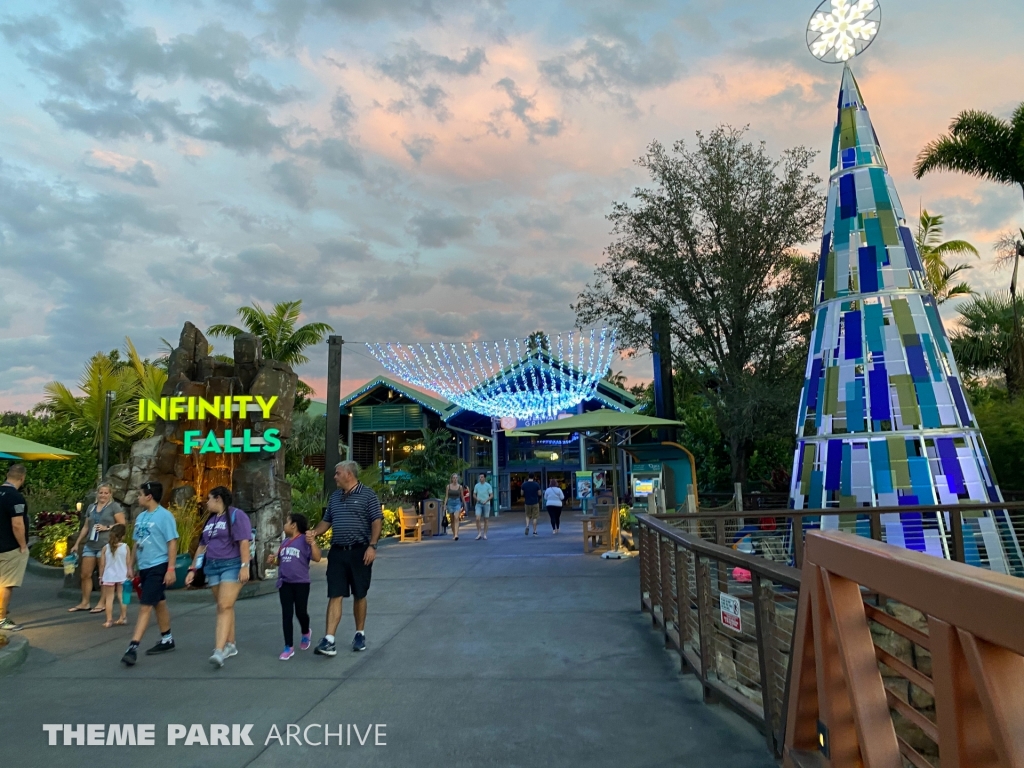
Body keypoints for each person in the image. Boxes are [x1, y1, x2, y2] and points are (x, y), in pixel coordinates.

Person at [311, 461, 382, 656]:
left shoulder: (368, 495)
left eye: (338, 473)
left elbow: (376, 521)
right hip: (337, 552)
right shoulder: (335, 497)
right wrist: (314, 533)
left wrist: (372, 546)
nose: (335, 476)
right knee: (335, 593)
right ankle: (329, 640)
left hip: (360, 551)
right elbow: (326, 521)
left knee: (360, 593)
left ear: (349, 474)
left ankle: (360, 634)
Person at [184, 487, 252, 668]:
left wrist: (245, 566)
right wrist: (193, 569)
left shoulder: (237, 515)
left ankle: (219, 651)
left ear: (218, 499)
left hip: (232, 565)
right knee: (224, 607)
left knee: (224, 605)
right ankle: (230, 644)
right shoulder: (211, 520)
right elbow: (201, 547)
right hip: (212, 567)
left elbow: (244, 542)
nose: (206, 502)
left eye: (209, 499)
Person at [121, 481, 179, 667]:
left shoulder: (165, 516)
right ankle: (167, 639)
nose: (137, 497)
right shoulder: (141, 517)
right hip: (144, 567)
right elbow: (136, 543)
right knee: (159, 602)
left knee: (145, 605)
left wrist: (170, 569)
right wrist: (131, 566)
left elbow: (172, 542)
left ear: (149, 496)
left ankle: (133, 647)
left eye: (140, 494)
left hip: (158, 566)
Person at [276, 512, 321, 660]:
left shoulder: (304, 540)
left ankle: (306, 631)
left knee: (300, 612)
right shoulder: (285, 542)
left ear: (293, 525)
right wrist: (273, 560)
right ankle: (288, 646)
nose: (284, 525)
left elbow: (317, 557)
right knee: (287, 614)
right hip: (285, 583)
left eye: (286, 522)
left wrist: (312, 542)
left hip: (301, 583)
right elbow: (280, 561)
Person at [0, 464, 29, 632]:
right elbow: (17, 524)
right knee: (6, 583)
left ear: (7, 475)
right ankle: (1, 618)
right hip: (9, 547)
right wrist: (23, 545)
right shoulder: (15, 497)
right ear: (22, 478)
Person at [99, 523, 131, 628]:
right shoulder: (126, 547)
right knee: (122, 597)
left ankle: (109, 620)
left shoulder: (105, 548)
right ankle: (123, 617)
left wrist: (101, 576)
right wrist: (130, 573)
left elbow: (102, 565)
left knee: (109, 598)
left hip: (109, 576)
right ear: (123, 536)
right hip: (122, 575)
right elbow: (128, 563)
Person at [444, 473, 466, 541]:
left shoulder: (460, 487)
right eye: (454, 478)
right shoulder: (448, 486)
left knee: (456, 517)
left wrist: (464, 504)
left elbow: (462, 496)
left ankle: (456, 534)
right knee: (452, 519)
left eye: (456, 478)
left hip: (457, 502)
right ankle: (454, 534)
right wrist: (445, 505)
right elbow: (446, 496)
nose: (455, 479)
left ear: (457, 479)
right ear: (452, 479)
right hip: (450, 502)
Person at [472, 473, 493, 540]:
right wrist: (476, 499)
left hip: (486, 504)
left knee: (486, 519)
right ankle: (479, 533)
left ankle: (485, 534)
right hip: (479, 503)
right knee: (477, 518)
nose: (480, 478)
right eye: (480, 477)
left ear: (484, 478)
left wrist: (486, 500)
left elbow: (491, 495)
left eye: (482, 477)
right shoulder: (477, 485)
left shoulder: (488, 485)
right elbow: (474, 494)